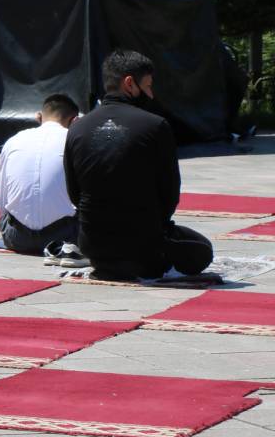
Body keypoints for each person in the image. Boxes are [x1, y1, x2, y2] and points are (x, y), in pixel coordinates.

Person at [63, 50, 214, 281]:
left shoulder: (77, 128)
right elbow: (169, 194)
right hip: (143, 248)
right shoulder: (155, 126)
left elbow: (74, 192)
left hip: (94, 245)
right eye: (148, 86)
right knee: (201, 249)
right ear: (130, 84)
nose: (151, 94)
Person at [0, 94, 80, 256]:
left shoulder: (13, 141)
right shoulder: (74, 141)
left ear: (39, 117)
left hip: (17, 238)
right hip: (65, 237)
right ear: (75, 120)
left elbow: (1, 204)